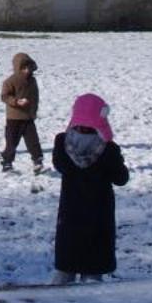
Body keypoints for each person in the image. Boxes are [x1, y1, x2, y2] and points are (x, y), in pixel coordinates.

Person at [51, 93, 130, 283]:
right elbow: (121, 178)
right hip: (99, 214)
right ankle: (91, 297)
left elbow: (59, 166)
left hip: (70, 211)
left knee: (66, 264)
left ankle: (57, 298)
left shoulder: (62, 143)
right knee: (94, 265)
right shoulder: (108, 149)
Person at [0, 52, 44, 174]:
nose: (27, 70)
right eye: (24, 68)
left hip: (28, 117)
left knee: (33, 141)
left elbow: (35, 97)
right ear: (18, 68)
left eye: (29, 67)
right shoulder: (10, 81)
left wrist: (33, 111)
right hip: (14, 117)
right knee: (12, 142)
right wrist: (16, 101)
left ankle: (37, 161)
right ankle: (7, 163)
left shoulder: (32, 81)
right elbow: (4, 96)